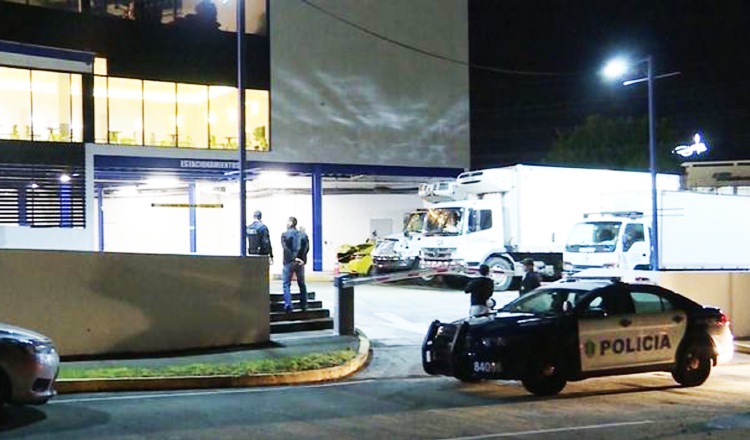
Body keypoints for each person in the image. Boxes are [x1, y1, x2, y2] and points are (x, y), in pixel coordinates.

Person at [281, 217, 308, 313]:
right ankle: (304, 305)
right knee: (301, 284)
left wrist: (293, 258)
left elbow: (285, 248)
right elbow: (306, 248)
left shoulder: (284, 235)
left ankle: (288, 305)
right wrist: (302, 259)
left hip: (289, 262)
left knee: (286, 284)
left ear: (290, 223)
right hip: (300, 262)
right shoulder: (303, 235)